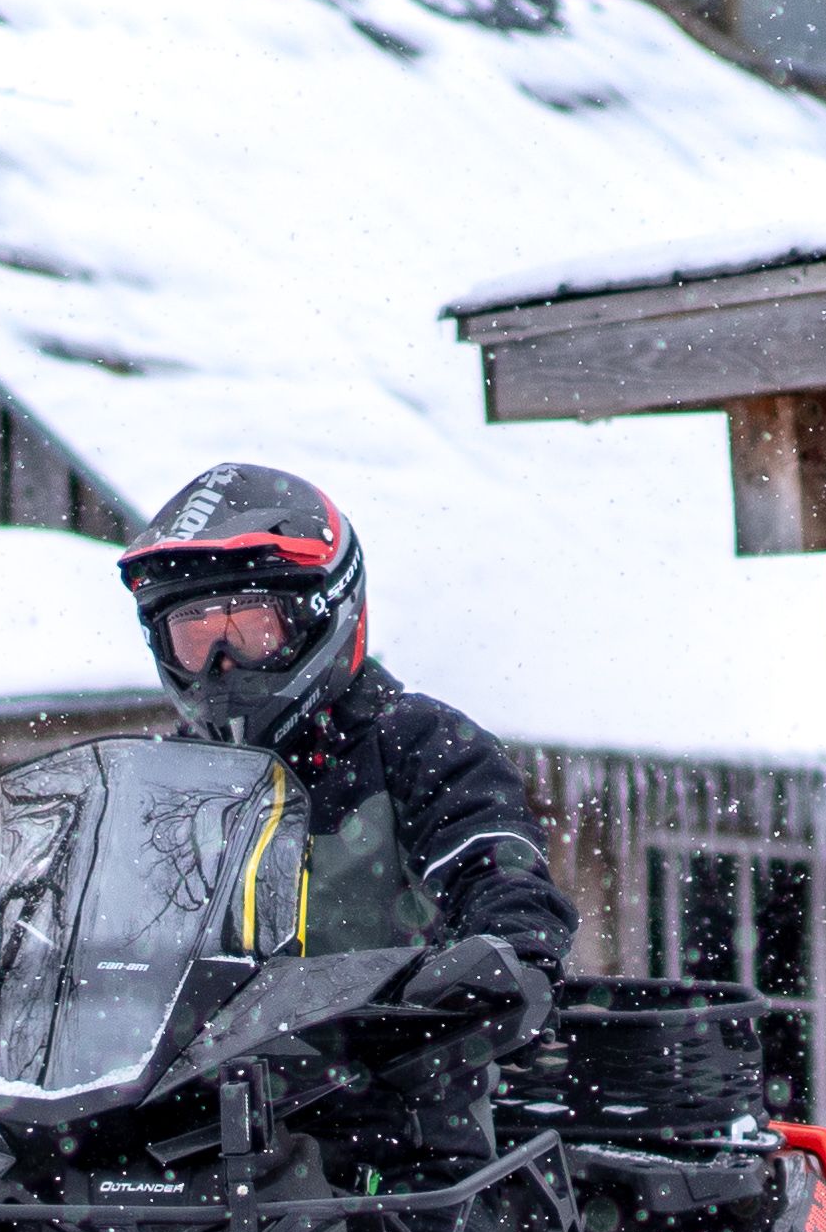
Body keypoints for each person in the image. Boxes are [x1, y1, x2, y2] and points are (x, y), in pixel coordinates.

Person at [117, 465, 571, 1160]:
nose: (223, 664)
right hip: (191, 1128)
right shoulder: (168, 787)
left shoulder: (417, 746)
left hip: (395, 1123)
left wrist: (502, 952)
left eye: (248, 629)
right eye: (195, 636)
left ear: (322, 611)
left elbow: (496, 863)